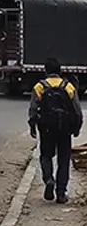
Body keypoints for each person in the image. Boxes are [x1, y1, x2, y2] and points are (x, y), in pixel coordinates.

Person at [28, 57, 83, 204]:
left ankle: (48, 180)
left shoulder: (40, 86)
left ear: (46, 71)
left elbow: (33, 109)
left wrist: (32, 125)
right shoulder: (68, 87)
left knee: (46, 156)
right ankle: (61, 193)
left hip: (46, 129)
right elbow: (77, 110)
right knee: (64, 161)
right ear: (60, 71)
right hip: (65, 130)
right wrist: (76, 128)